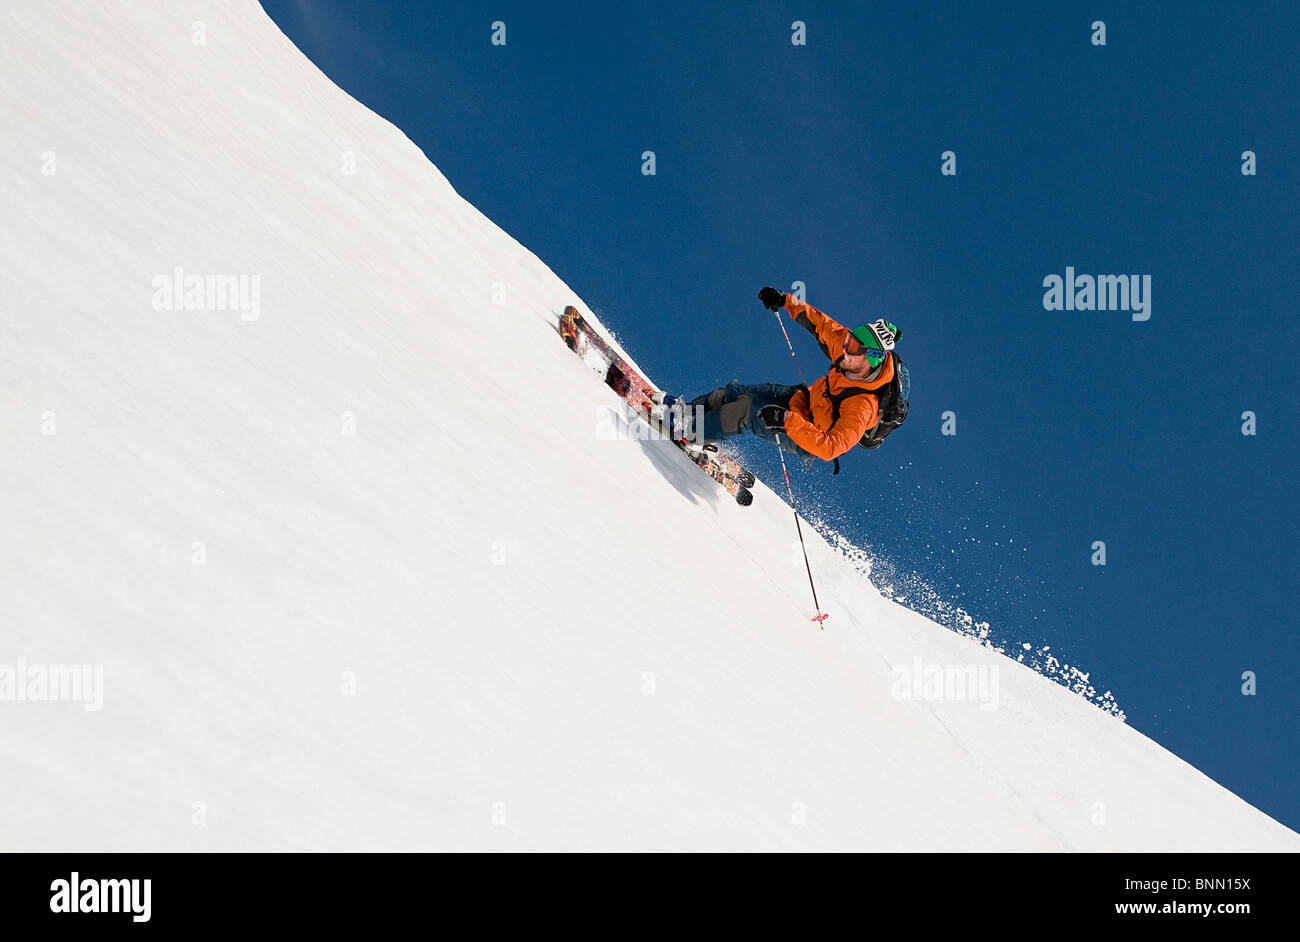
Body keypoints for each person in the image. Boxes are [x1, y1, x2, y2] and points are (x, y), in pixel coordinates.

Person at [679, 286, 903, 465]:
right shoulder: (848, 352)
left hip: (807, 433)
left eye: (853, 347)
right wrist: (785, 301)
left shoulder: (862, 406)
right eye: (849, 340)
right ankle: (689, 412)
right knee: (737, 392)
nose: (845, 348)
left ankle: (690, 432)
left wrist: (786, 421)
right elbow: (820, 323)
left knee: (746, 409)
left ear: (871, 357)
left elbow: (831, 448)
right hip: (803, 398)